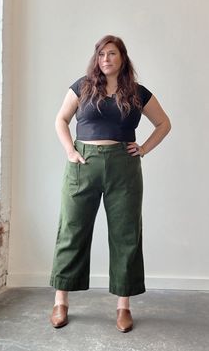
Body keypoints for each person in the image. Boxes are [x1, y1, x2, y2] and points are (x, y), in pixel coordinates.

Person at [49, 35, 171, 332]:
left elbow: (164, 123)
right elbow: (61, 120)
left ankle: (123, 307)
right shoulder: (82, 87)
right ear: (97, 58)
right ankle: (60, 301)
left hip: (123, 166)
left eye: (112, 53)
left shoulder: (137, 93)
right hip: (84, 164)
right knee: (72, 230)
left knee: (126, 233)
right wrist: (70, 151)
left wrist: (142, 148)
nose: (106, 59)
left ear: (122, 58)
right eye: (102, 54)